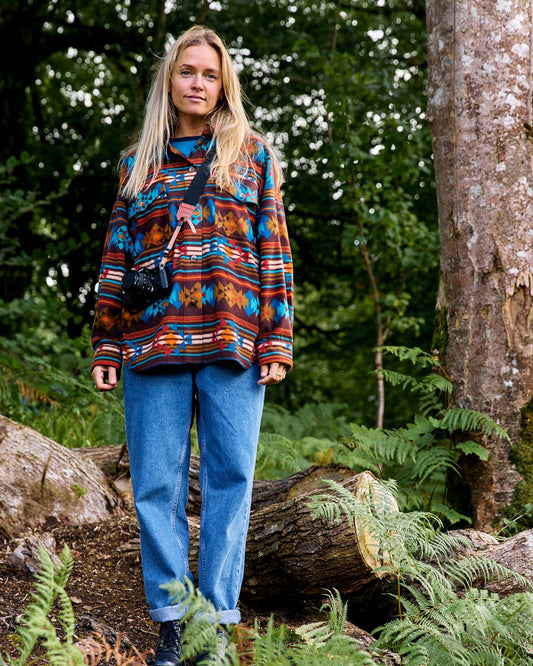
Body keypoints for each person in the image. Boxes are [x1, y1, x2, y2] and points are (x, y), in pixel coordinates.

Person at [91, 24, 293, 666]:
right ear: (169, 82)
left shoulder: (253, 155)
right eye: (187, 72)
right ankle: (174, 621)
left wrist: (278, 338)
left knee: (231, 480)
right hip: (152, 345)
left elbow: (275, 250)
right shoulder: (136, 164)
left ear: (222, 83)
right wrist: (105, 343)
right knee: (155, 485)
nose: (197, 83)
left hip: (235, 341)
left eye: (209, 74)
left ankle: (215, 624)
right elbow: (116, 260)